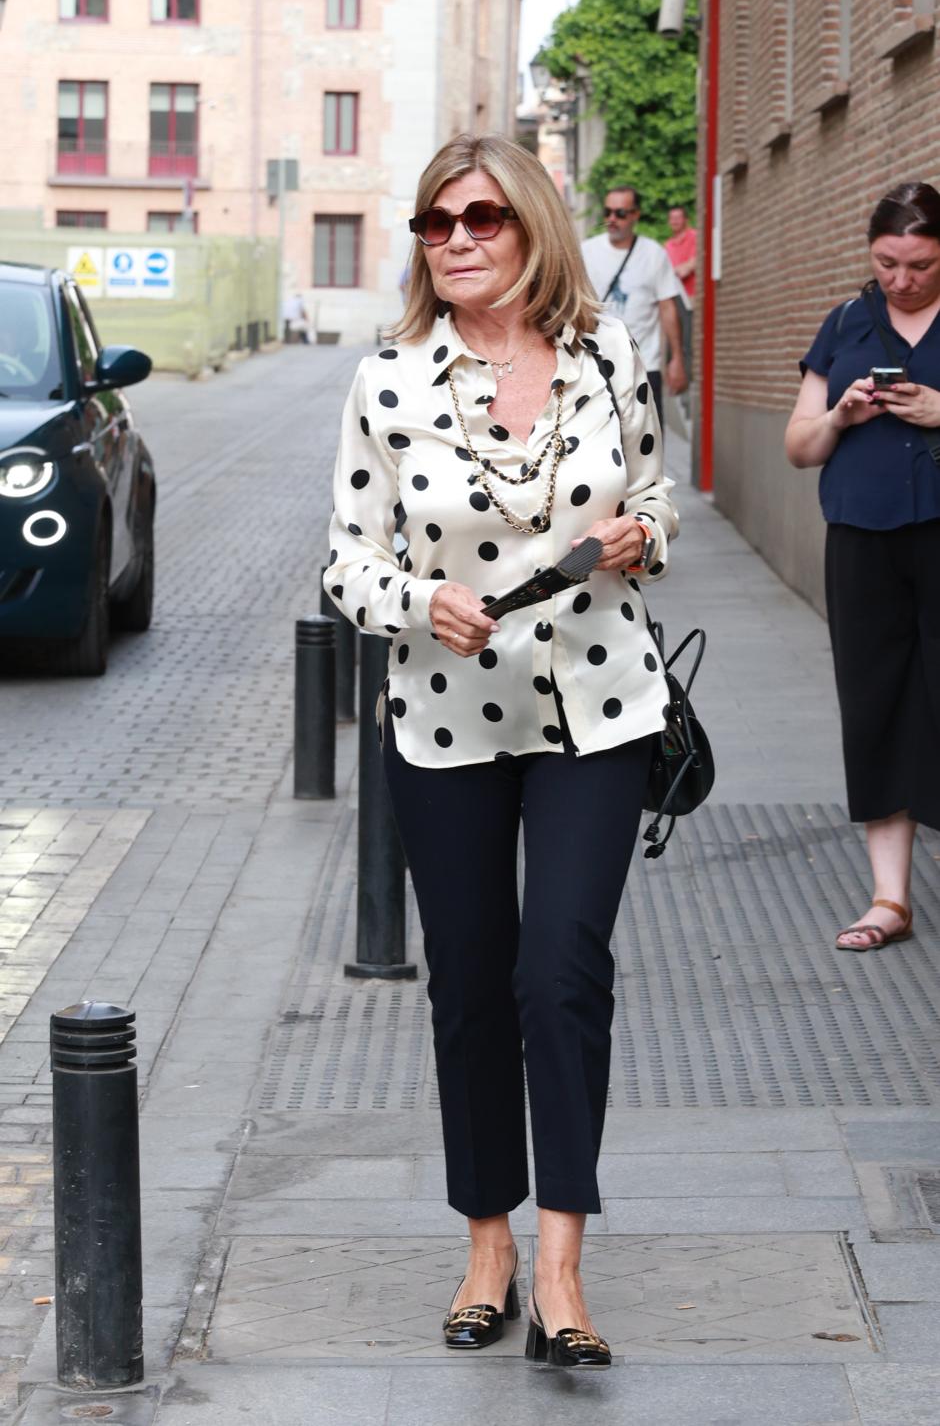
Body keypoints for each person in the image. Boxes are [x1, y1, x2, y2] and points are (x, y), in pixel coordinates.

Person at [324, 133, 678, 1368]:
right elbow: (344, 559)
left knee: (560, 973)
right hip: (443, 718)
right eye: (435, 223)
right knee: (470, 987)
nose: (458, 239)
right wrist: (417, 602)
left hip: (597, 707)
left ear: (532, 231)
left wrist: (645, 534)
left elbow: (654, 489)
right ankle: (488, 1245)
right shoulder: (388, 381)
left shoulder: (604, 356)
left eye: (482, 218)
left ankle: (564, 1270)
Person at [785, 180, 940, 951]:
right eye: (887, 262)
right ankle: (890, 899)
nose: (902, 279)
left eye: (919, 264)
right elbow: (797, 446)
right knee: (875, 704)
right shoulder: (847, 320)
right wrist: (841, 415)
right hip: (862, 537)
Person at [581, 185, 687, 429]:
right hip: (597, 364)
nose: (612, 219)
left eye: (620, 213)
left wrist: (677, 359)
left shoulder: (653, 254)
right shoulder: (587, 251)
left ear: (635, 215)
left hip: (644, 365)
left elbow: (668, 308)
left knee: (647, 441)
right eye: (608, 212)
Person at [664, 204, 696, 379]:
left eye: (678, 218)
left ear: (685, 220)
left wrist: (678, 270)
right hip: (672, 298)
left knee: (687, 340)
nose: (675, 221)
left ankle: (688, 377)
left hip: (690, 297)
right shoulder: (667, 246)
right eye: (672, 218)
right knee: (672, 340)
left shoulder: (694, 237)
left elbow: (693, 263)